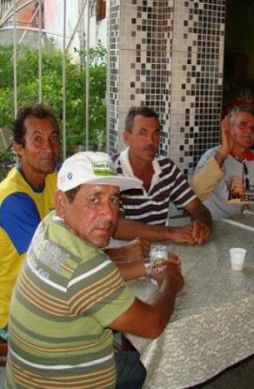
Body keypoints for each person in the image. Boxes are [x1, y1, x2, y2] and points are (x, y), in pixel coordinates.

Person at [6, 151, 184, 388]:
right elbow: (152, 324)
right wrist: (170, 281)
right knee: (153, 361)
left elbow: (85, 281)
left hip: (27, 379)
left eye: (113, 200)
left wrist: (146, 268)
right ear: (62, 203)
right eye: (94, 199)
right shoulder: (87, 268)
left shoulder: (50, 226)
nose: (109, 214)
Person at [0, 104, 60, 341]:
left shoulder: (54, 175)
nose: (49, 148)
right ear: (19, 147)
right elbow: (51, 263)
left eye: (53, 138)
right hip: (15, 312)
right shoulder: (13, 199)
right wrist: (127, 260)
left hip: (44, 293)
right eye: (37, 140)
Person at [112, 106, 212, 245]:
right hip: (122, 253)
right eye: (143, 133)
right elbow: (116, 226)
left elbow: (198, 208)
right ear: (127, 138)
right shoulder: (112, 171)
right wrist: (169, 232)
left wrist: (201, 225)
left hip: (159, 252)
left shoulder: (167, 168)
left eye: (156, 133)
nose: (151, 141)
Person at [191, 103, 254, 221]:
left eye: (253, 128)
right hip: (218, 227)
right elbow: (195, 193)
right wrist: (223, 152)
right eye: (243, 125)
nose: (249, 131)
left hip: (251, 227)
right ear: (229, 128)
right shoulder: (213, 156)